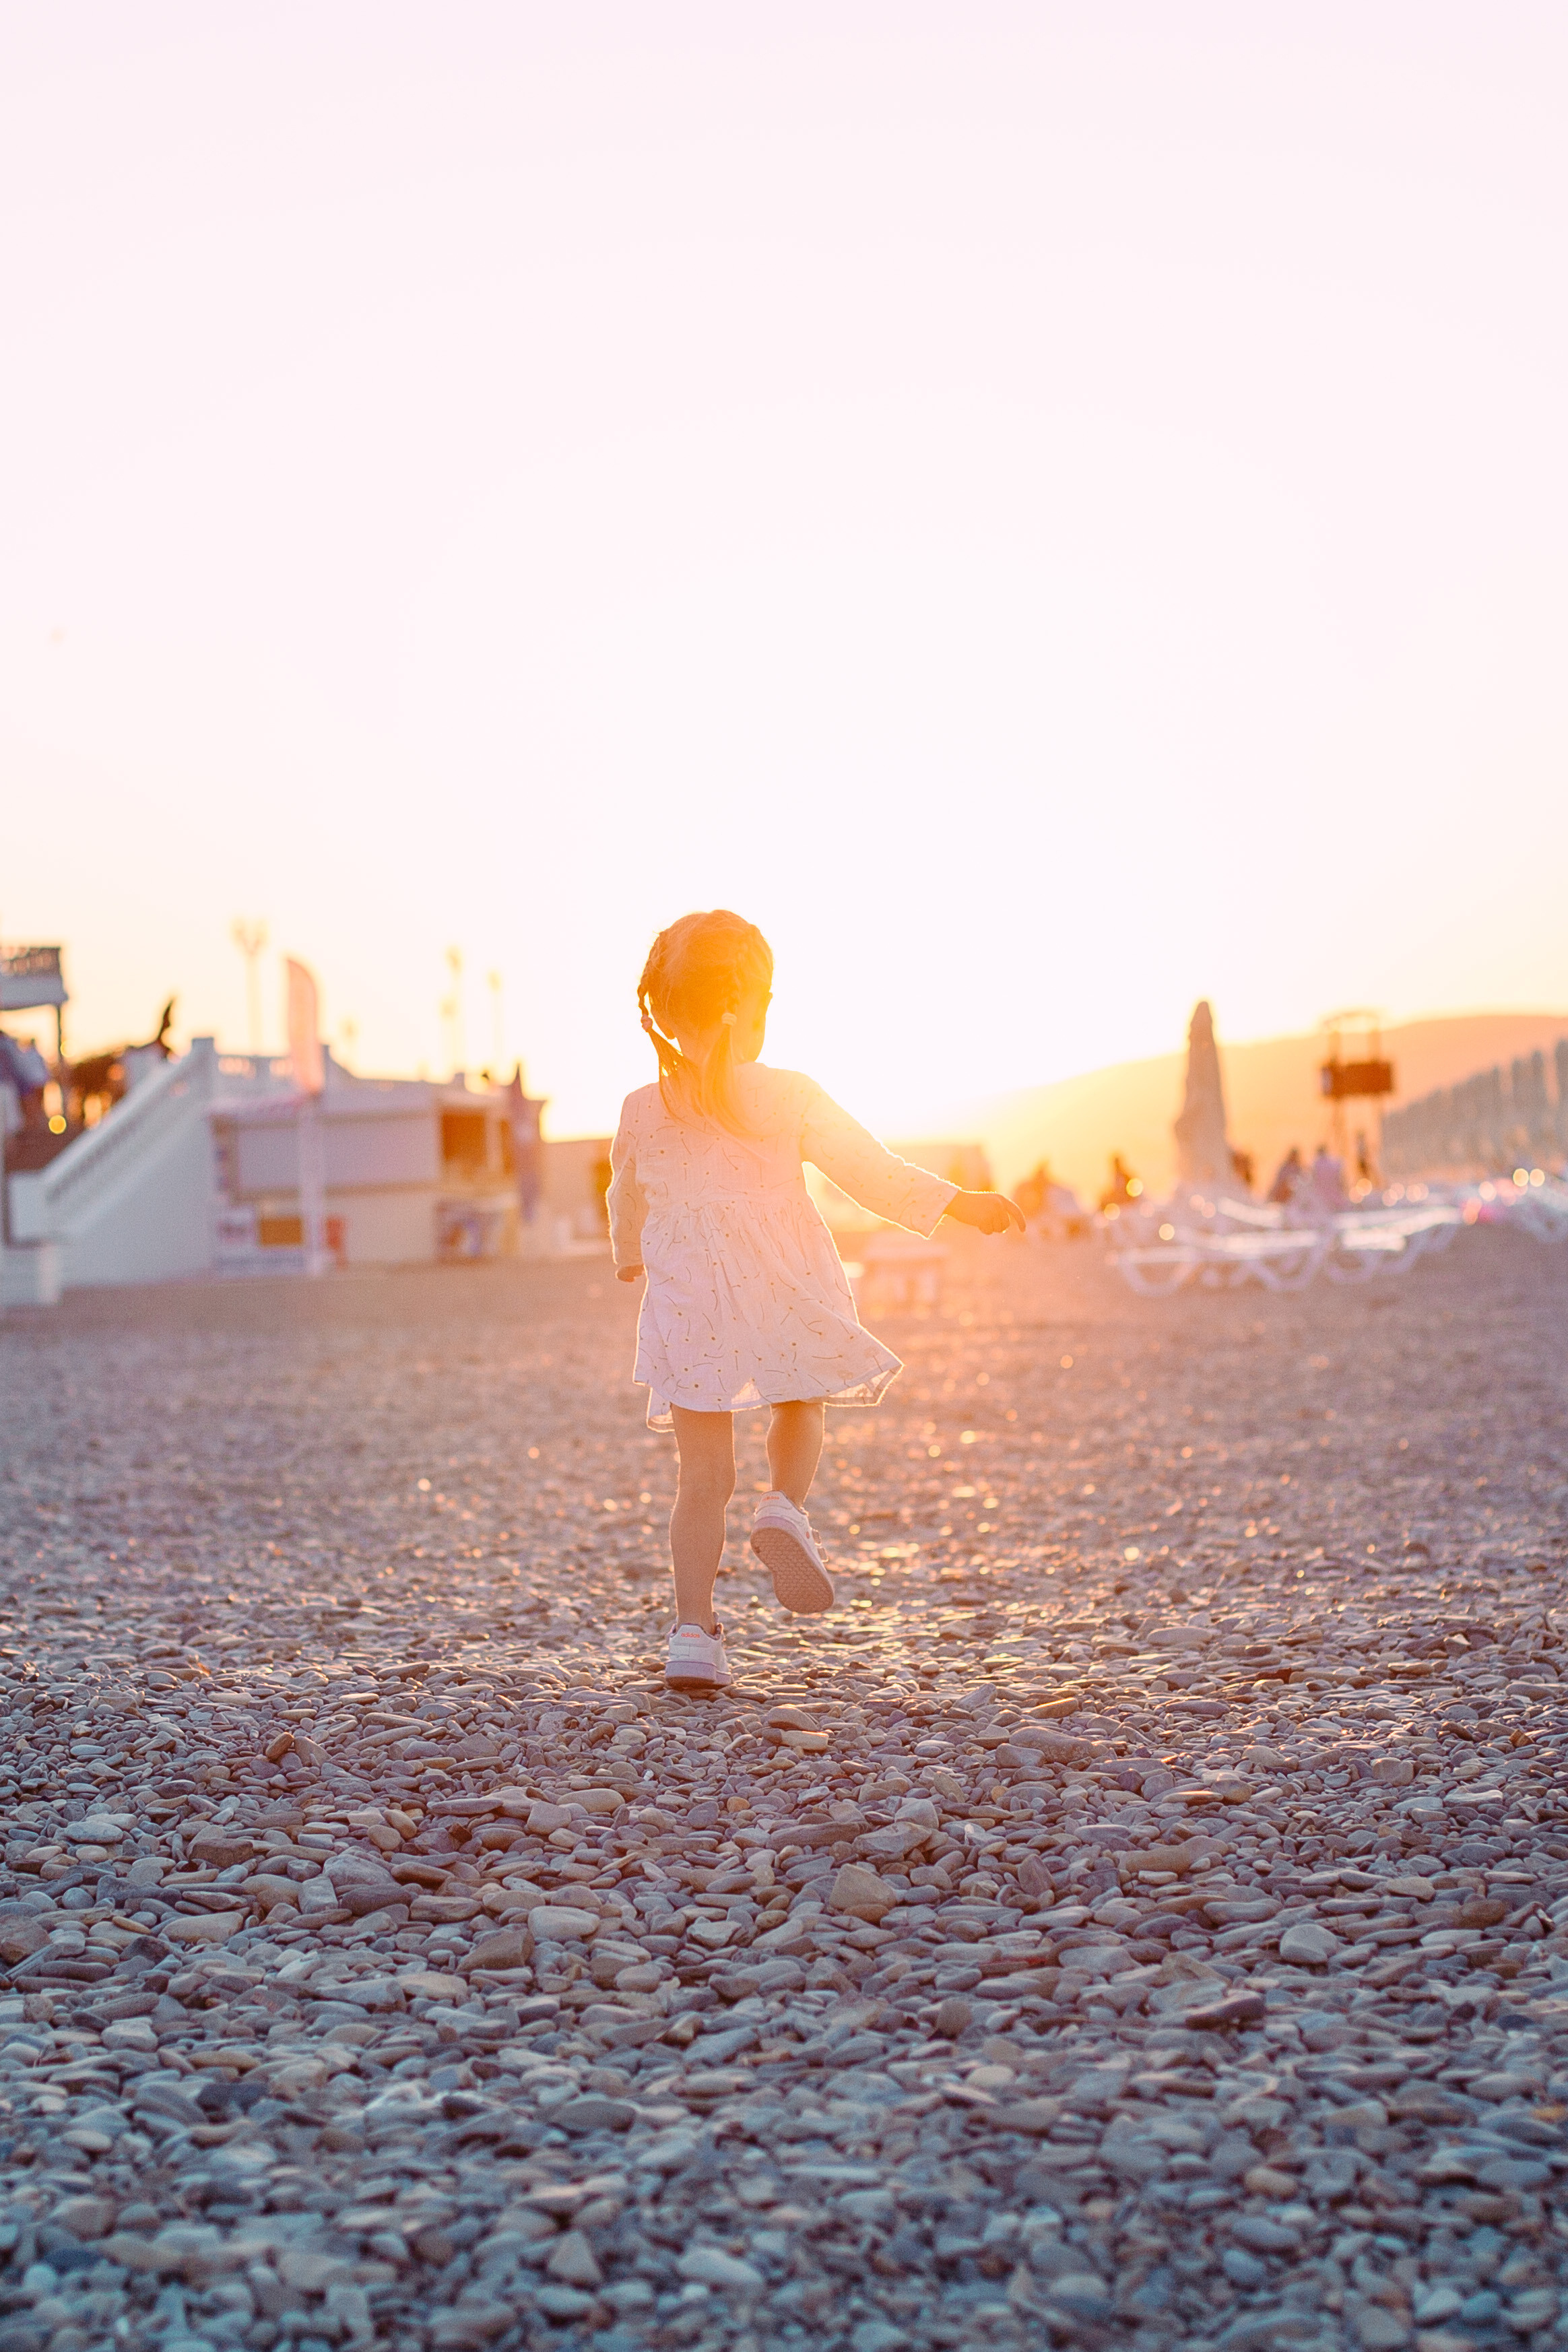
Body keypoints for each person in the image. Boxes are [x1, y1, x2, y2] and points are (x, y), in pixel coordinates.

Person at [609, 910, 1024, 1692]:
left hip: (688, 1299)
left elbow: (626, 1194)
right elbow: (869, 1170)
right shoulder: (791, 1094)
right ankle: (785, 1509)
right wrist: (960, 1202)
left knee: (700, 1480)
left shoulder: (641, 1106)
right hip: (784, 1283)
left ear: (664, 1013)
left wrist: (628, 1256)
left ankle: (692, 1634)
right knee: (800, 1402)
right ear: (756, 1006)